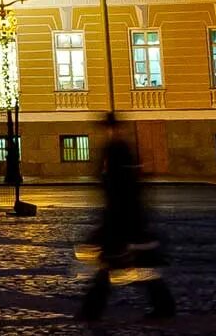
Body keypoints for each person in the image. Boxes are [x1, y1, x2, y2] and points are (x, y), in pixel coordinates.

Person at [79, 114, 173, 321]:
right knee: (129, 265)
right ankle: (92, 309)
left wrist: (112, 218)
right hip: (124, 218)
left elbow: (120, 187)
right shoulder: (119, 148)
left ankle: (92, 310)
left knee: (117, 266)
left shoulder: (116, 150)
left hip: (122, 219)